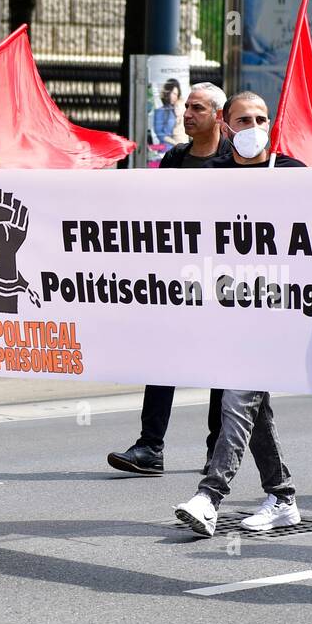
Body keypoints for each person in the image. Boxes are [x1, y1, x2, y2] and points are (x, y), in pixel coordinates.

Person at [172, 91, 307, 537]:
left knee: (237, 396)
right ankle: (283, 497)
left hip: (272, 311)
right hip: (224, 310)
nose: (253, 127)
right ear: (227, 126)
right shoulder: (210, 176)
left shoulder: (293, 173)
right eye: (243, 119)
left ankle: (209, 496)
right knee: (253, 405)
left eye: (261, 118)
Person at [107, 82, 232, 477]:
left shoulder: (236, 159)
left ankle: (217, 451)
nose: (187, 114)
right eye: (187, 107)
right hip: (177, 279)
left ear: (218, 115)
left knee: (220, 366)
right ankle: (149, 447)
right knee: (163, 357)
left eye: (197, 108)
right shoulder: (175, 158)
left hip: (222, 280)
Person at [151, 78, 185, 148]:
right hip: (167, 149)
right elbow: (160, 134)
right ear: (168, 92)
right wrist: (176, 143)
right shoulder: (160, 111)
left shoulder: (177, 109)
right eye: (174, 93)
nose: (175, 97)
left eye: (176, 94)